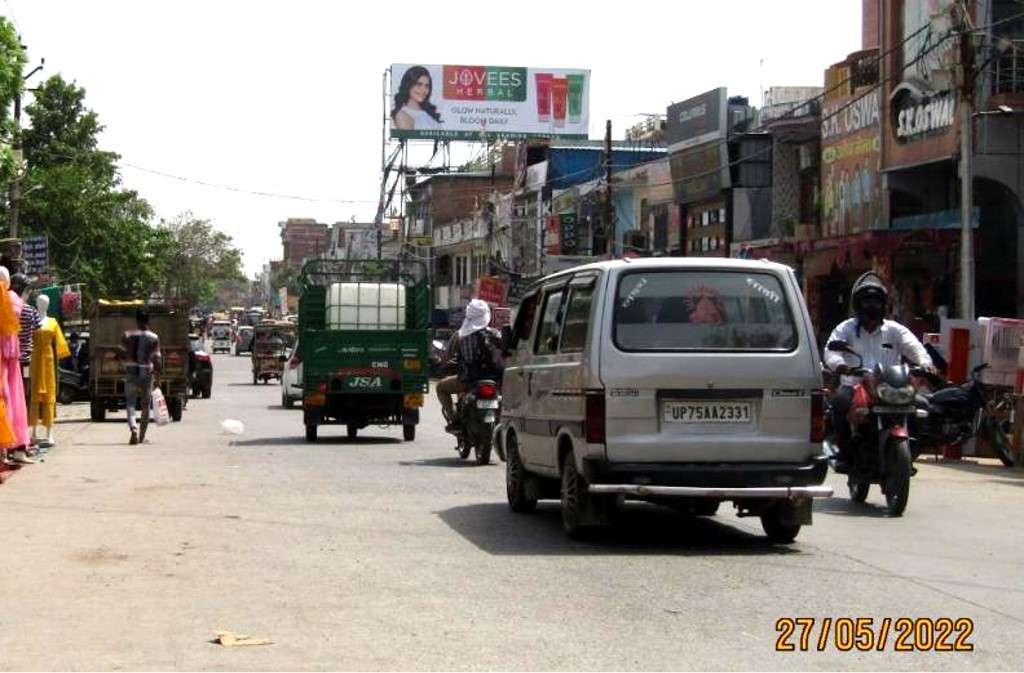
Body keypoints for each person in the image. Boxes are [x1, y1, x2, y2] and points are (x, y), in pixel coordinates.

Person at [822, 271, 934, 473]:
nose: (871, 306)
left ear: (884, 305)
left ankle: (910, 453)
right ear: (858, 304)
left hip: (891, 387)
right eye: (866, 302)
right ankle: (845, 455)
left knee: (924, 407)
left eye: (876, 302)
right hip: (856, 385)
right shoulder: (845, 329)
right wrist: (839, 364)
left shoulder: (895, 330)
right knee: (839, 403)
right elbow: (831, 351)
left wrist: (925, 364)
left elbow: (915, 348)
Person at [436, 299, 503, 432]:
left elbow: (446, 357)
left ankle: (454, 418)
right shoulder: (496, 334)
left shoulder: (459, 336)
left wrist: (441, 362)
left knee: (440, 387)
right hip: (494, 381)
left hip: (468, 381)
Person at [29, 294, 71, 448]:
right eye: (40, 302)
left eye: (45, 302)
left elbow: (59, 342)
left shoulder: (53, 322)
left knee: (49, 394)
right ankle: (32, 432)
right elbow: (26, 337)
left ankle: (49, 433)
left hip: (48, 360)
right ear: (36, 304)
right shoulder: (32, 319)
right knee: (33, 394)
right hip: (34, 359)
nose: (42, 305)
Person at [120, 306, 162, 445]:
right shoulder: (154, 337)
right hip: (147, 374)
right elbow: (157, 359)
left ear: (136, 320)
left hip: (131, 372)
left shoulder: (127, 335)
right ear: (148, 320)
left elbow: (120, 353)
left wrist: (123, 364)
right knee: (145, 405)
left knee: (130, 403)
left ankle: (133, 429)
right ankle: (142, 437)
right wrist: (158, 379)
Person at [391, 66, 443, 131]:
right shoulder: (402, 115)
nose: (423, 90)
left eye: (427, 86)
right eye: (419, 84)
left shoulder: (428, 113)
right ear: (408, 85)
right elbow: (410, 140)